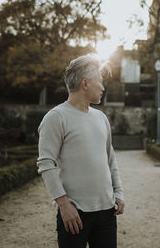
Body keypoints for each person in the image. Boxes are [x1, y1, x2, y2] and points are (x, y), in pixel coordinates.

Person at [37, 54, 124, 248]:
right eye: (99, 82)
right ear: (85, 84)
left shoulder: (101, 118)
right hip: (74, 213)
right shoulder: (56, 118)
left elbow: (110, 159)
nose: (102, 87)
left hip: (107, 213)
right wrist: (64, 205)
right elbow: (45, 163)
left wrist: (118, 192)